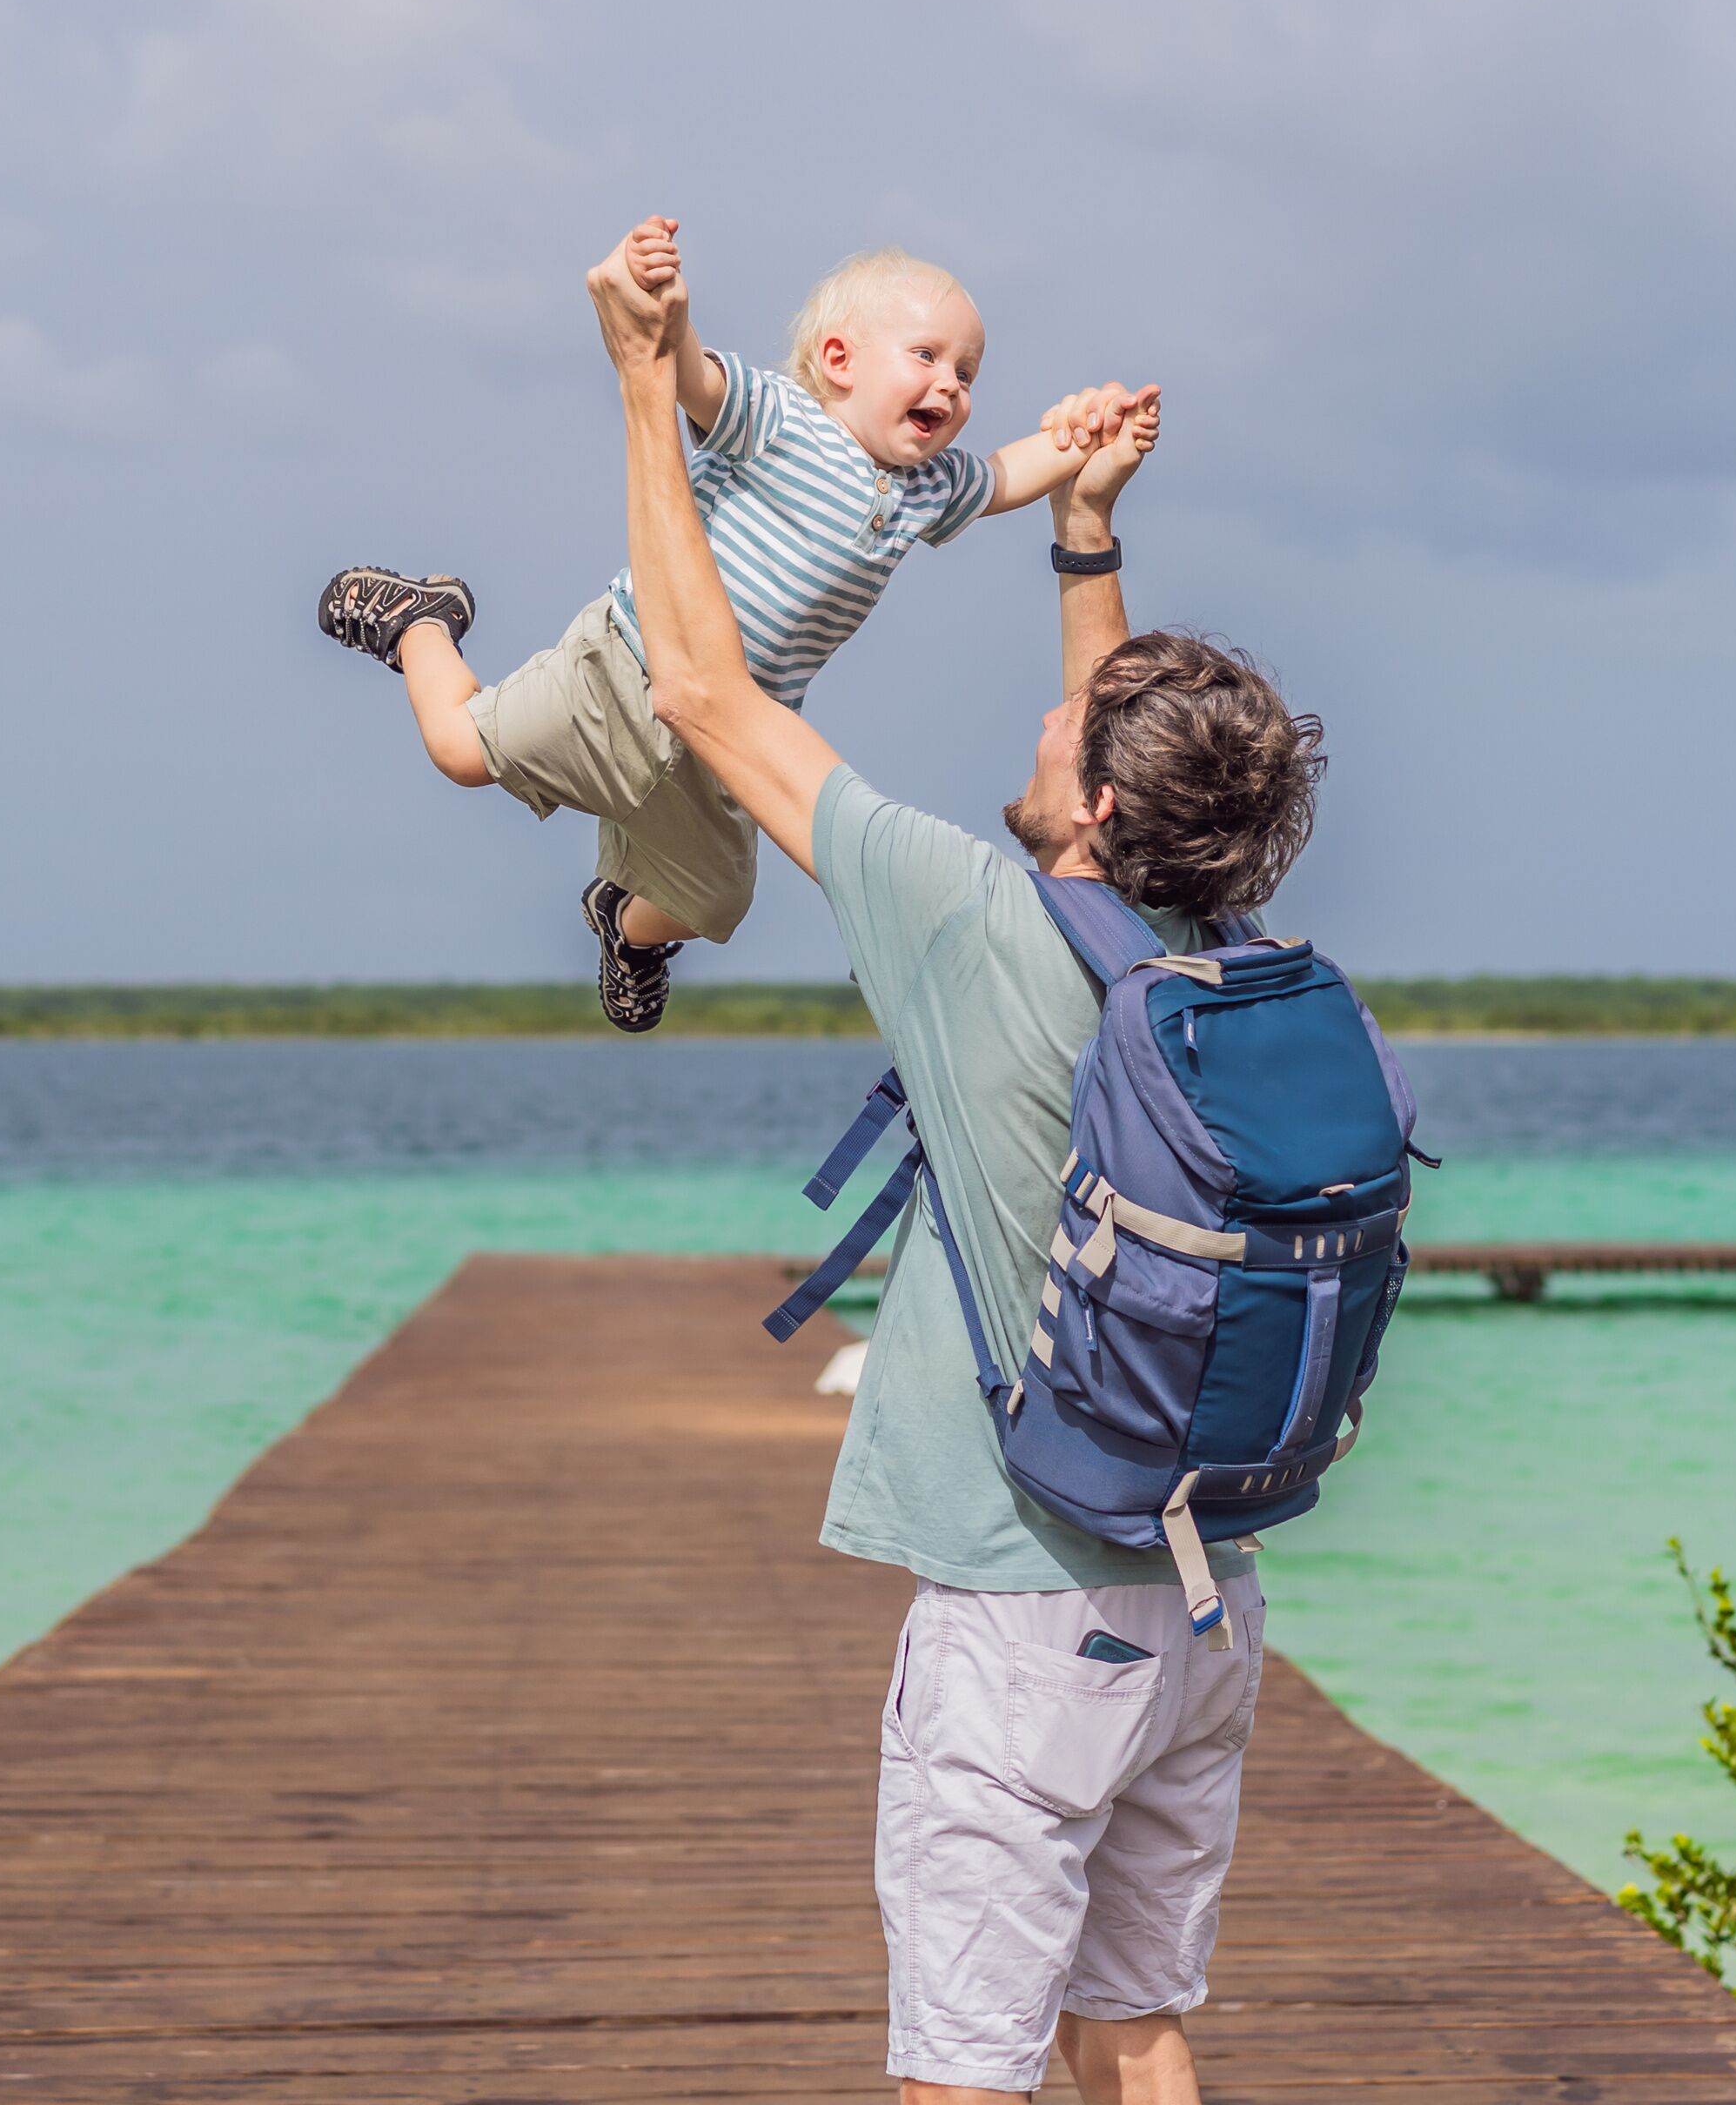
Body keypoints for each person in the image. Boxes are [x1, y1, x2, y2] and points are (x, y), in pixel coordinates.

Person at [587, 238, 1328, 2102]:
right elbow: (1120, 745)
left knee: (964, 2067)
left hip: (1025, 1609)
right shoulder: (1211, 954)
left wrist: (636, 378)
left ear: (1087, 804)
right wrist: (1084, 535)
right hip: (1206, 1589)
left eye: (1065, 730)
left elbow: (693, 680)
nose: (1045, 716)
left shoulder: (963, 917)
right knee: (1136, 2025)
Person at [317, 218, 1150, 1031]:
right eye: (928, 357)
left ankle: (622, 928)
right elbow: (691, 379)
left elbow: (1012, 473)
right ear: (839, 361)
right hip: (626, 667)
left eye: (968, 374)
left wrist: (1094, 434)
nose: (952, 387)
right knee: (461, 750)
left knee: (713, 902)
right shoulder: (781, 420)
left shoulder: (928, 490)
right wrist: (665, 311)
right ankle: (418, 622)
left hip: (733, 736)